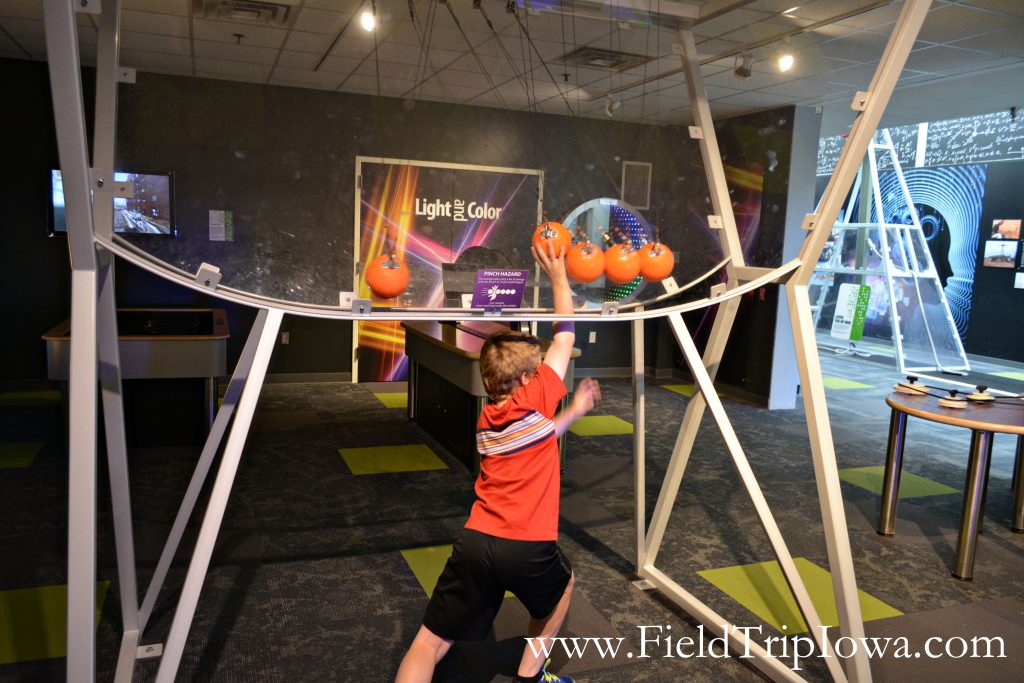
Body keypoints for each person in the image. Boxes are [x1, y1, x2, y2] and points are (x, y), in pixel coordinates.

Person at [395, 242, 601, 683]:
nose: (543, 369)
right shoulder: (537, 398)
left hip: (476, 541)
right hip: (526, 545)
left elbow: (536, 434)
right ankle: (531, 676)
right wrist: (558, 275)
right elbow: (565, 334)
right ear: (527, 380)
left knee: (430, 642)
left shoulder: (487, 420)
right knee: (561, 588)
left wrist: (571, 412)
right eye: (538, 367)